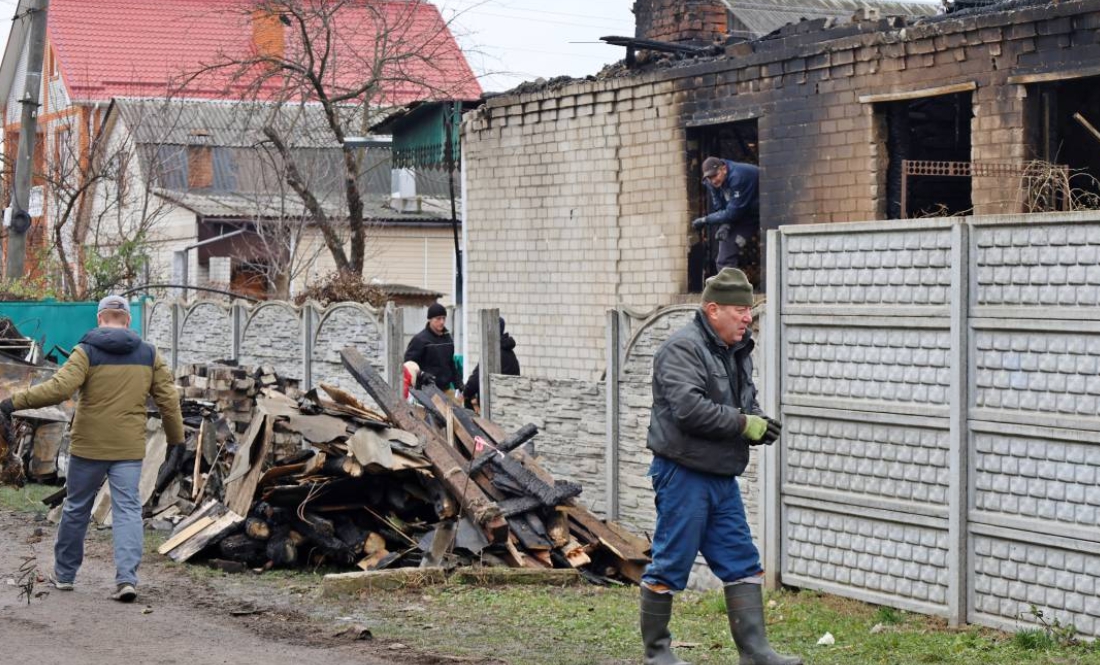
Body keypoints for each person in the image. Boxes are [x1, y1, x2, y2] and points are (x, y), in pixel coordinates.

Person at [640, 268, 799, 665]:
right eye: (740, 309)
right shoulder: (682, 349)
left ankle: (756, 652)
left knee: (742, 562)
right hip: (682, 474)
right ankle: (657, 655)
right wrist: (745, 424)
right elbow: (689, 409)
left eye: (750, 310)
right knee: (671, 563)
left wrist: (759, 422)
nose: (748, 317)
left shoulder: (737, 350)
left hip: (721, 476)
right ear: (713, 309)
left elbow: (746, 401)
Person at [0, 295, 184, 603]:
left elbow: (59, 389)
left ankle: (66, 575)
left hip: (89, 446)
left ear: (100, 319)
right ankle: (126, 580)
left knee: (76, 507)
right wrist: (176, 440)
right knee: (127, 510)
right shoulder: (150, 354)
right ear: (127, 320)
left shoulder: (85, 351)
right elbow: (168, 400)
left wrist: (13, 402)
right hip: (128, 447)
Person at [692, 156, 760, 273]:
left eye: (715, 175)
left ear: (724, 169)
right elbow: (719, 207)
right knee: (724, 259)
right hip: (740, 213)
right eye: (709, 177)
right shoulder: (711, 183)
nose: (713, 180)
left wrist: (705, 220)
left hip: (758, 212)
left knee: (771, 248)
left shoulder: (738, 177)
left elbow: (733, 213)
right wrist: (725, 225)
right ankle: (731, 290)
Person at [404, 302, 463, 398]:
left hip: (446, 389)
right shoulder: (420, 340)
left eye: (444, 318)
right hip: (426, 391)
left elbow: (450, 364)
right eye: (438, 318)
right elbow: (408, 365)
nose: (442, 322)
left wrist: (458, 383)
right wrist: (422, 375)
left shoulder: (447, 339)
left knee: (456, 411)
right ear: (430, 319)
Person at [463, 316, 520, 412]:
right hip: (509, 403)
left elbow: (476, 379)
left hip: (496, 406)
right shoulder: (509, 352)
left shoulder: (494, 353)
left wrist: (466, 394)